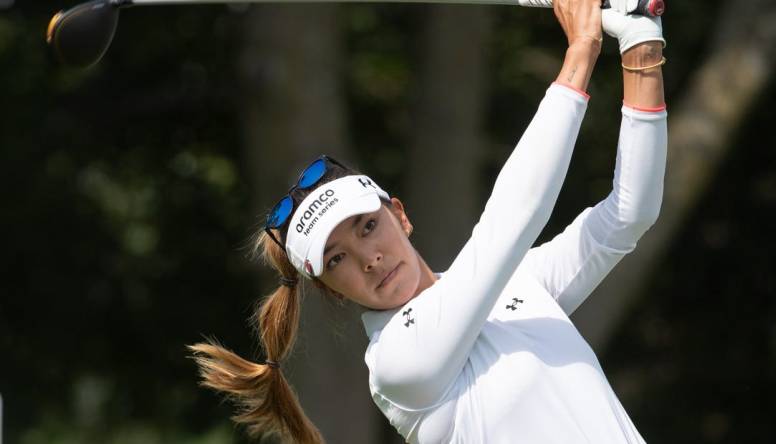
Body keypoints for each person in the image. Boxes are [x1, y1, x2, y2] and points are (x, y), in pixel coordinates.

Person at [189, 0, 668, 442]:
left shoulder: (511, 288)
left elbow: (628, 214)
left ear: (400, 214)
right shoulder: (398, 364)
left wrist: (640, 42)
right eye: (338, 259)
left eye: (367, 226)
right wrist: (581, 49)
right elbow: (511, 222)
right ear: (332, 289)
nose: (369, 259)